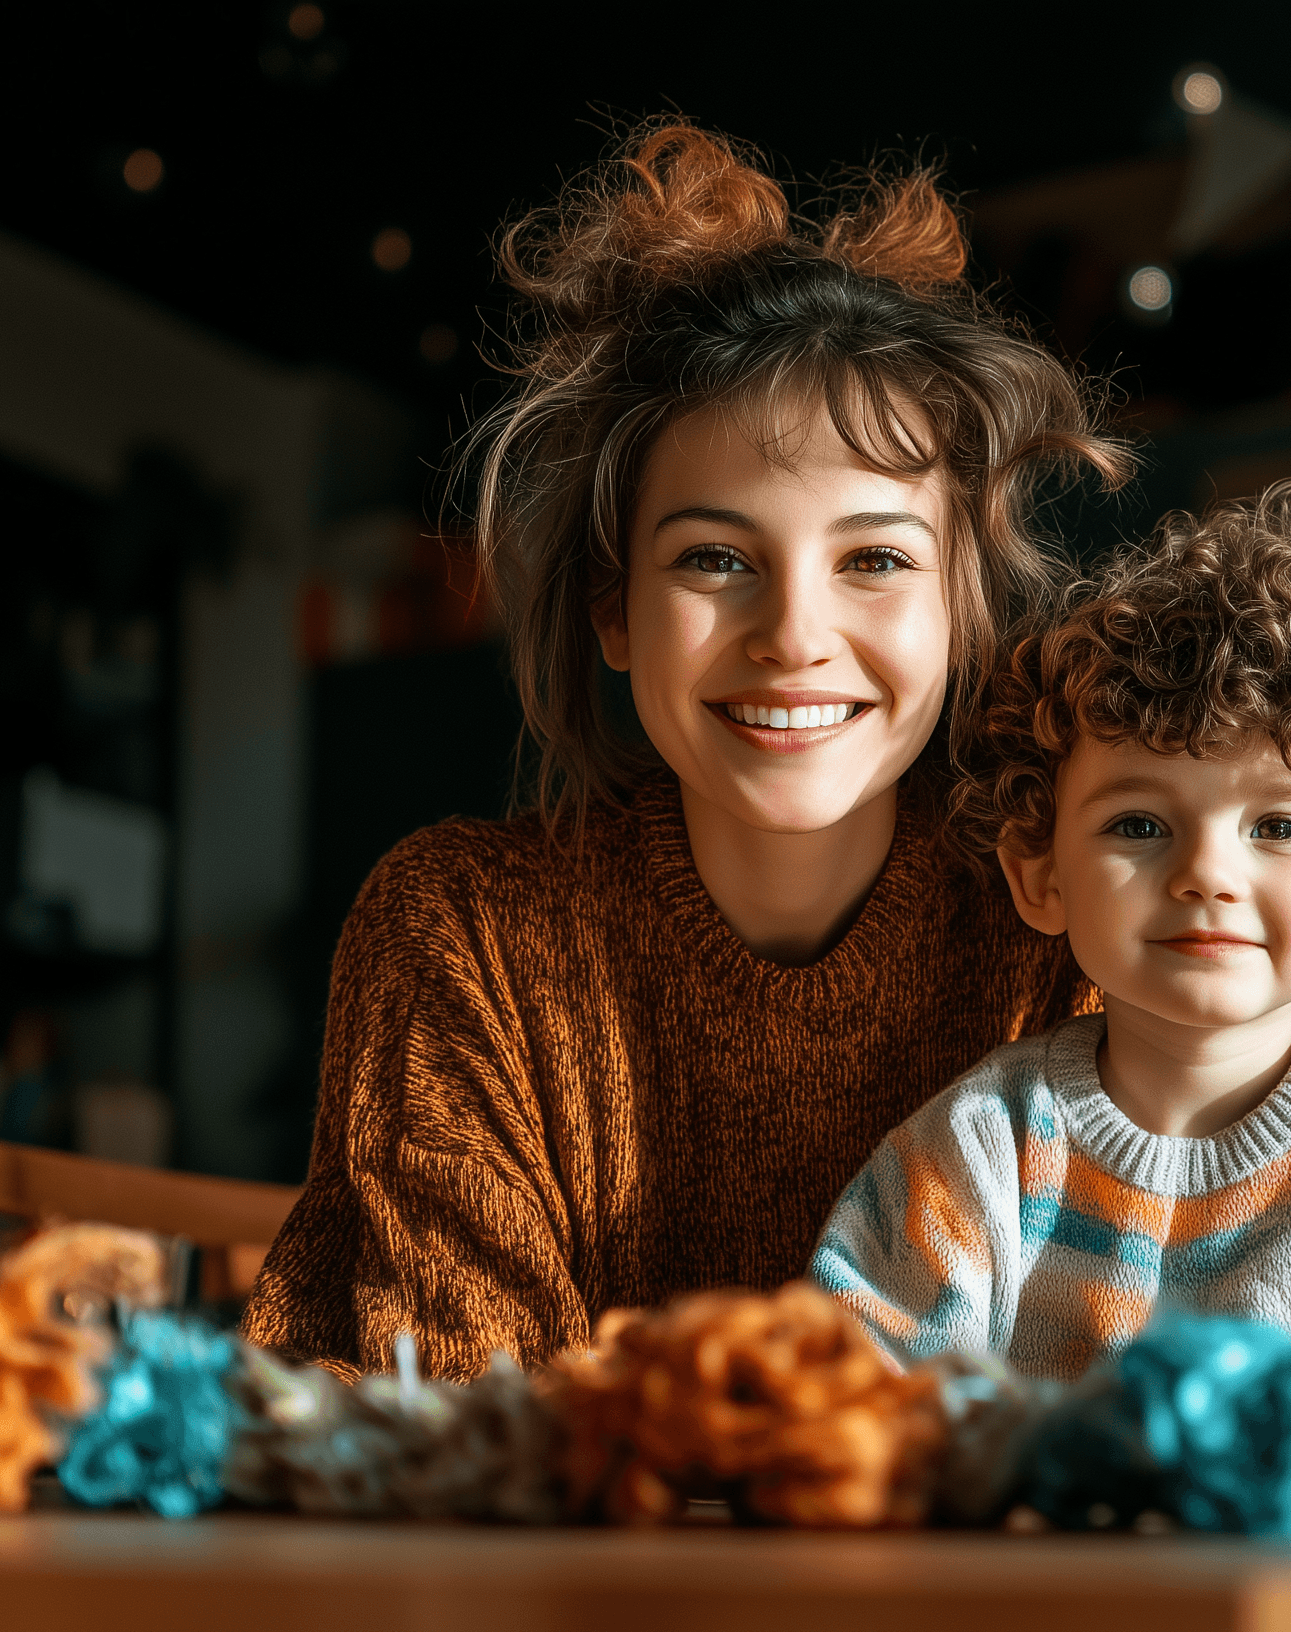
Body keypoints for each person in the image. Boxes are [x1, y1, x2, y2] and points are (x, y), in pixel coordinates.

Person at [242, 122, 1130, 1381]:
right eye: (714, 558)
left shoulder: (1065, 937)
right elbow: (466, 1436)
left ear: (960, 609)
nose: (792, 638)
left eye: (874, 560)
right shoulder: (462, 933)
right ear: (612, 606)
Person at [811, 481, 1291, 1377]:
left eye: (1279, 827)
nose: (1206, 876)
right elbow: (844, 1401)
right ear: (1040, 875)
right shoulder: (985, 1149)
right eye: (1139, 824)